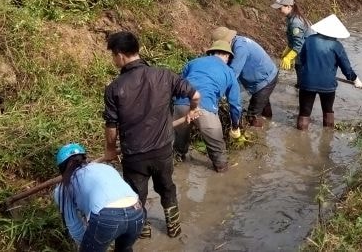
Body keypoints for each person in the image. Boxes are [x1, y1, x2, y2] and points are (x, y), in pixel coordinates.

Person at [103, 31, 200, 239]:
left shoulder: (114, 89)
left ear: (120, 55)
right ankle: (174, 229)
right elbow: (196, 95)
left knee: (136, 196)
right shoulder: (164, 75)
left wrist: (110, 150)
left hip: (135, 156)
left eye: (113, 55)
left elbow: (111, 126)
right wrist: (192, 111)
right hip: (163, 149)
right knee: (167, 187)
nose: (114, 60)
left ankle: (143, 234)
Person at [54, 143, 144, 252]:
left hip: (108, 217)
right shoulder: (104, 167)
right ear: (84, 158)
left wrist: (87, 245)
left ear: (61, 167)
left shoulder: (63, 188)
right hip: (137, 212)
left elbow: (74, 225)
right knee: (124, 249)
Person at [173, 40, 242, 173]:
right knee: (218, 153)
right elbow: (235, 104)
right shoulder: (229, 72)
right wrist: (235, 125)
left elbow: (179, 84)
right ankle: (222, 175)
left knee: (177, 149)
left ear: (211, 53)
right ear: (227, 56)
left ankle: (179, 173)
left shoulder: (193, 62)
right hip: (205, 108)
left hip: (181, 104)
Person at [296, 14, 362, 130]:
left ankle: (301, 138)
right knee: (328, 111)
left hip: (307, 82)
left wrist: (304, 75)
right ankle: (328, 139)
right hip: (327, 84)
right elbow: (346, 67)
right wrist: (355, 79)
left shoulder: (309, 40)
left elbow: (301, 61)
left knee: (304, 113)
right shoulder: (336, 46)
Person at [211, 26, 278, 127]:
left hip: (265, 79)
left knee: (253, 115)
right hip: (265, 75)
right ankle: (268, 126)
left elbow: (233, 74)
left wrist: (220, 94)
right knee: (262, 105)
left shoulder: (240, 48)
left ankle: (259, 132)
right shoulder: (237, 42)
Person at [271, 0, 311, 88]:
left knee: (300, 68)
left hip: (309, 49)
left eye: (280, 8)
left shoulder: (295, 22)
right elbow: (293, 38)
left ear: (289, 7)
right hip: (304, 46)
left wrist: (289, 57)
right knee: (298, 66)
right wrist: (288, 48)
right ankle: (300, 86)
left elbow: (298, 45)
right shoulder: (291, 17)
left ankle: (302, 90)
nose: (278, 11)